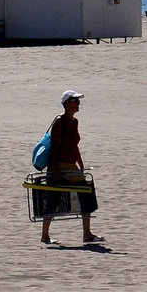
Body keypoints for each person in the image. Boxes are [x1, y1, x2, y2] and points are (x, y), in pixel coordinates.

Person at [40, 90, 101, 246]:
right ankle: (46, 236)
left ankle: (86, 234)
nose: (78, 103)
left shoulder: (74, 122)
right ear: (67, 103)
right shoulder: (60, 121)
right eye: (75, 101)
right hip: (59, 165)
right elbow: (54, 146)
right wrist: (55, 171)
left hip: (70, 166)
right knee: (77, 193)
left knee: (84, 193)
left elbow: (74, 145)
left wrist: (80, 163)